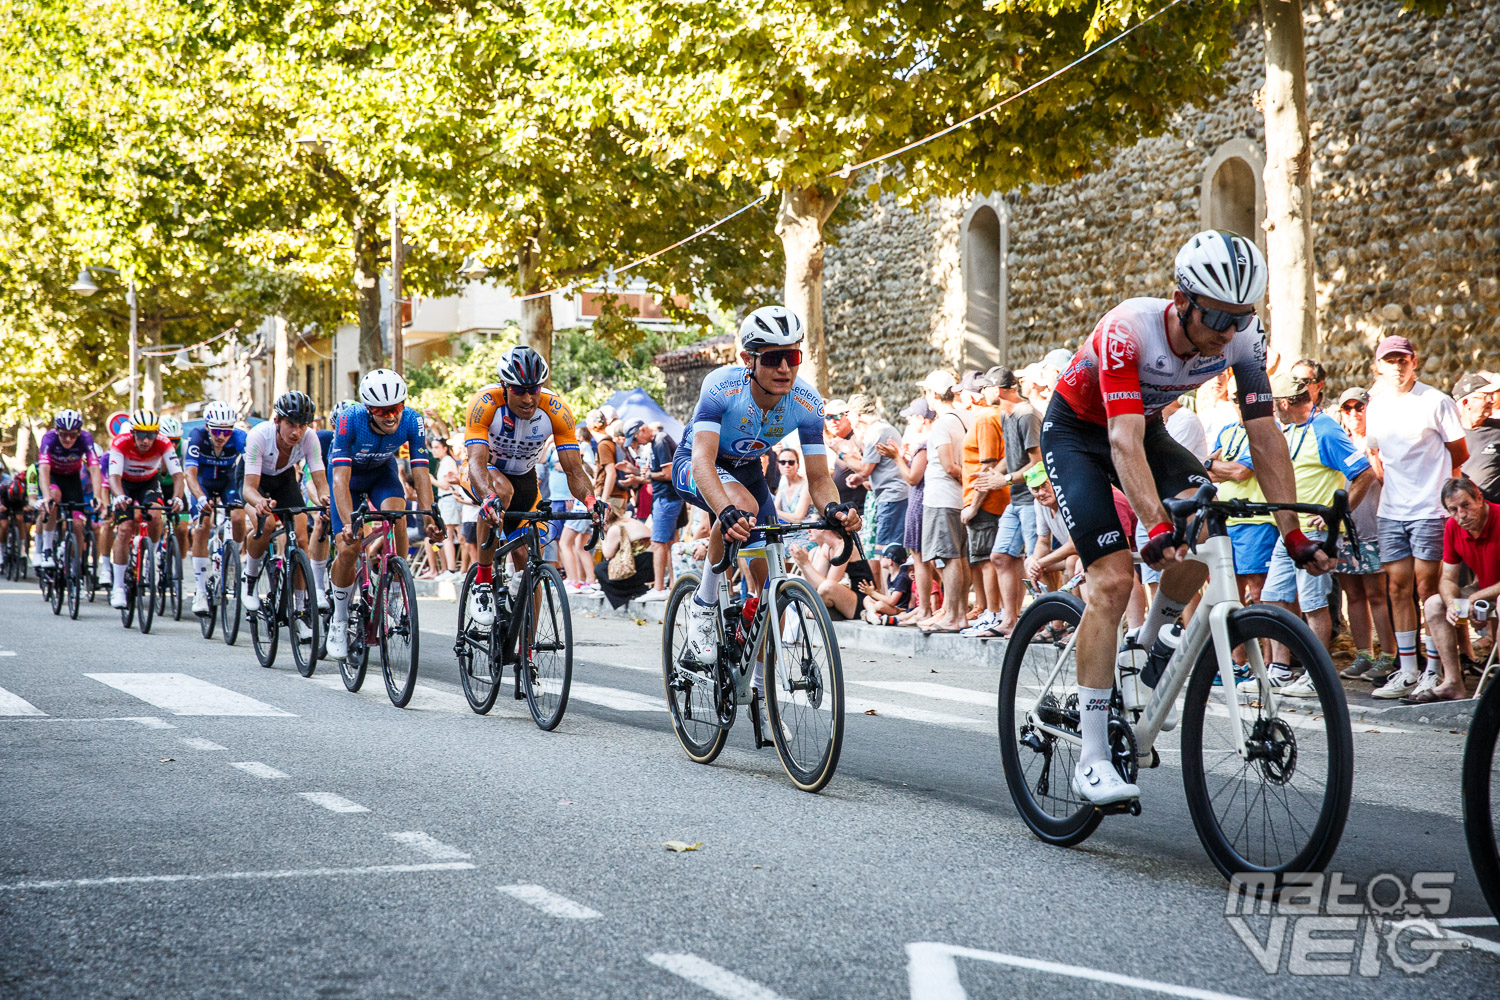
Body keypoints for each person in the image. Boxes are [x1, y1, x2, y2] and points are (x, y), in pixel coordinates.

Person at [1041, 230, 1331, 807]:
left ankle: (1152, 644)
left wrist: (1292, 529)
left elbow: (1264, 432)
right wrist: (1152, 526)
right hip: (1079, 434)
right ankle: (1094, 756)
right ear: (1182, 300)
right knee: (1114, 579)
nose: (1227, 333)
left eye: (1239, 317)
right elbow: (1121, 442)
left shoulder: (1242, 335)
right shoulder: (1129, 330)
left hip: (1145, 431)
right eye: (1218, 317)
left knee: (1207, 526)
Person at [671, 305, 860, 666]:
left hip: (748, 474)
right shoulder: (721, 387)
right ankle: (703, 606)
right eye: (774, 358)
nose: (785, 369)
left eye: (792, 356)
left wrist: (834, 509)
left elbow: (820, 478)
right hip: (698, 464)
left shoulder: (807, 402)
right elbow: (702, 460)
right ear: (748, 359)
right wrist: (724, 512)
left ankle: (760, 693)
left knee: (770, 591)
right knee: (741, 505)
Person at [1238, 372, 1375, 696]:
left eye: (1274, 404)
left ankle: (1317, 674)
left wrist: (1333, 516)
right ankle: (1281, 670)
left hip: (1314, 535)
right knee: (1273, 597)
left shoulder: (1325, 429)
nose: (1272, 409)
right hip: (1290, 531)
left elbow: (1364, 474)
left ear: (1285, 403)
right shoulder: (1290, 427)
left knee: (1313, 605)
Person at [458, 346, 602, 634]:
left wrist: (590, 500)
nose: (528, 398)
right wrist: (487, 498)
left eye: (534, 389)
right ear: (504, 387)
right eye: (519, 390)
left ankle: (528, 649)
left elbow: (574, 469)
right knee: (500, 492)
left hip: (526, 479)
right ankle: (483, 581)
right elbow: (475, 462)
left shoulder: (556, 410)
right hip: (484, 473)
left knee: (528, 565)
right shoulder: (485, 403)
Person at [1364, 335, 1468, 699]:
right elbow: (1374, 451)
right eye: (1389, 361)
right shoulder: (1375, 405)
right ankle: (1407, 670)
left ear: (1414, 361)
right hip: (1392, 510)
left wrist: (1436, 490)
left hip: (1429, 509)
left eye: (1402, 360)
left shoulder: (1436, 401)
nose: (1397, 367)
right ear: (1378, 366)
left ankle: (1433, 669)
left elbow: (1459, 452)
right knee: (1396, 588)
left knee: (1428, 589)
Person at [326, 370, 440, 659]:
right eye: (381, 410)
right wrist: (348, 523)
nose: (390, 416)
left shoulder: (413, 419)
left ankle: (393, 586)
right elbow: (339, 479)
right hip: (347, 479)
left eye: (396, 408)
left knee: (397, 514)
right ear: (368, 409)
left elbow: (421, 472)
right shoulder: (349, 419)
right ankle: (339, 619)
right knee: (349, 546)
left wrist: (429, 518)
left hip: (381, 475)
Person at [240, 392, 329, 635]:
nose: (296, 432)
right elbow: (249, 488)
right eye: (291, 424)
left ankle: (299, 612)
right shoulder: (259, 436)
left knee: (301, 540)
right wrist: (259, 502)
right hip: (254, 481)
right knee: (266, 524)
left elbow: (320, 478)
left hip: (284, 479)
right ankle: (249, 580)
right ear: (277, 420)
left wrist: (326, 499)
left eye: (302, 425)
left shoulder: (309, 438)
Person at [1332, 386, 1398, 680]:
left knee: (1377, 595)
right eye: (1348, 409)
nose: (1354, 414)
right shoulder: (1339, 442)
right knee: (1353, 595)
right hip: (1346, 532)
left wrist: (1372, 453)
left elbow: (1383, 479)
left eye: (1359, 407)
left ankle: (1388, 654)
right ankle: (1363, 654)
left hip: (1373, 529)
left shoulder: (1380, 443)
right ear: (1341, 414)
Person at [1421, 478, 1500, 702]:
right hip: (1485, 590)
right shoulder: (1453, 527)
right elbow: (1447, 577)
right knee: (1434, 604)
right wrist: (1451, 604)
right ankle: (1452, 683)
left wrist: (1475, 598)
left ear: (1480, 499)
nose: (1461, 515)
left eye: (1466, 506)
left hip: (1489, 593)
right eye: (1453, 509)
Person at [979, 366, 1043, 636]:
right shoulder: (1006, 415)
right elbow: (1013, 456)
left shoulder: (1027, 415)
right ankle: (1010, 620)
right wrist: (992, 474)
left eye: (986, 387)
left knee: (1038, 561)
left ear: (998, 389)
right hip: (1016, 500)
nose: (982, 393)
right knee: (1001, 556)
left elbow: (1038, 463)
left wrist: (1002, 481)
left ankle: (1051, 621)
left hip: (1033, 498)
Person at [106, 409, 185, 609]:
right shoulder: (120, 442)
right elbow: (113, 477)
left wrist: (177, 498)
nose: (146, 440)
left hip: (148, 482)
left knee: (156, 516)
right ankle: (118, 587)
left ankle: (152, 555)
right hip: (124, 483)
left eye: (151, 435)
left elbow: (177, 475)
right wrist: (119, 496)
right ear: (133, 433)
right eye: (141, 434)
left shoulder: (164, 443)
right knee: (124, 528)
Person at [915, 370, 970, 633]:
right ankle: (956, 614)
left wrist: (966, 482)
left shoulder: (942, 423)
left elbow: (949, 465)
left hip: (942, 498)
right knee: (959, 557)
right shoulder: (964, 416)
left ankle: (953, 615)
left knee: (949, 558)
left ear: (933, 394)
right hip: (958, 498)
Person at [183, 401, 248, 615]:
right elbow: (190, 474)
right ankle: (200, 592)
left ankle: (233, 560)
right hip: (203, 483)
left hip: (228, 481)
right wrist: (200, 498)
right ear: (207, 427)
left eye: (227, 431)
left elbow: (253, 466)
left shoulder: (239, 438)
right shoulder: (197, 436)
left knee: (238, 517)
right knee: (202, 527)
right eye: (216, 430)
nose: (221, 436)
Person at [958, 370, 1008, 637]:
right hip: (987, 499)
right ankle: (990, 611)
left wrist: (974, 505)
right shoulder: (989, 417)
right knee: (982, 558)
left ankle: (993, 612)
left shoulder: (987, 418)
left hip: (986, 501)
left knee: (986, 559)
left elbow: (988, 466)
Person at [879, 399, 936, 624]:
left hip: (920, 502)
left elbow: (913, 478)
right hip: (925, 502)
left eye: (912, 417)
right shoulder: (930, 442)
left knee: (919, 559)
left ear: (921, 419)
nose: (910, 422)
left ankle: (925, 610)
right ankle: (926, 609)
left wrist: (896, 459)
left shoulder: (926, 443)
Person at [846, 396, 908, 586]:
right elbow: (874, 470)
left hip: (892, 496)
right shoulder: (881, 428)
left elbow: (865, 468)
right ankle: (890, 599)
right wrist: (862, 478)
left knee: (886, 553)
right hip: (891, 494)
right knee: (887, 551)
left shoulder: (876, 432)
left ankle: (889, 601)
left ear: (858, 415)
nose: (848, 419)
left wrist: (841, 453)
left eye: (849, 414)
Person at [35, 409, 103, 570]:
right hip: (53, 475)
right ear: (57, 430)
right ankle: (46, 550)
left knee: (78, 524)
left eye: (72, 435)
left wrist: (98, 496)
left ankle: (76, 565)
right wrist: (46, 497)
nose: (67, 439)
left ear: (79, 432)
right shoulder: (49, 439)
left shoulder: (86, 439)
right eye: (63, 434)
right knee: (53, 498)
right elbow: (44, 469)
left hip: (72, 479)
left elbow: (94, 468)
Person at [634, 419, 681, 601]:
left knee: (658, 542)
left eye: (637, 437)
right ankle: (670, 586)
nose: (638, 442)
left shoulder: (660, 440)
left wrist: (650, 474)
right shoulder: (656, 441)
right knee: (666, 542)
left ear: (643, 430)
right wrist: (648, 473)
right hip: (666, 498)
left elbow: (668, 474)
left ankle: (659, 587)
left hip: (666, 498)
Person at [789, 526, 875, 621]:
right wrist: (802, 564)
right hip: (841, 598)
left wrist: (806, 564)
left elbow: (829, 585)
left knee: (827, 587)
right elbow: (815, 584)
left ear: (822, 528)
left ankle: (812, 612)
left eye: (812, 527)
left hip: (861, 601)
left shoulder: (844, 545)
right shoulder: (826, 547)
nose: (808, 530)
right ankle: (819, 612)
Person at [595, 504, 654, 608]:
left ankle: (630, 592)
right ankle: (636, 589)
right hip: (650, 563)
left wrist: (602, 535)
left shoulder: (615, 528)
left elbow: (608, 554)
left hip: (641, 565)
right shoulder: (627, 520)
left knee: (600, 569)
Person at [1456, 372, 1500, 503]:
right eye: (1485, 396)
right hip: (1460, 514)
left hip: (1494, 514)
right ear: (1466, 403)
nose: (1491, 400)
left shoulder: (1498, 430)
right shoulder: (1449, 433)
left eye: (1491, 395)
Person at [430, 436, 462, 580]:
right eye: (432, 447)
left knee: (448, 534)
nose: (433, 450)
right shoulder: (444, 461)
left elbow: (445, 485)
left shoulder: (448, 461)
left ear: (444, 448)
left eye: (437, 447)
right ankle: (452, 570)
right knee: (453, 535)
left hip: (449, 500)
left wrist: (431, 479)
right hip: (446, 500)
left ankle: (452, 570)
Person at [858, 543, 915, 624]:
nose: (880, 560)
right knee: (867, 598)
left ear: (890, 561)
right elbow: (888, 597)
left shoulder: (902, 577)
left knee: (879, 605)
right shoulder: (890, 576)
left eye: (883, 557)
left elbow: (892, 601)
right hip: (892, 607)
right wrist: (873, 594)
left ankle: (873, 614)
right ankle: (873, 615)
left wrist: (873, 593)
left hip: (900, 609)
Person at [773, 447, 812, 551]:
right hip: (787, 536)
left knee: (777, 551)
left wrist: (776, 512)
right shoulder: (782, 488)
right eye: (782, 462)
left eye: (791, 462)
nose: (787, 465)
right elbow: (774, 516)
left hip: (806, 536)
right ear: (778, 465)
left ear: (797, 465)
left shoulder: (806, 486)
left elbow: (798, 518)